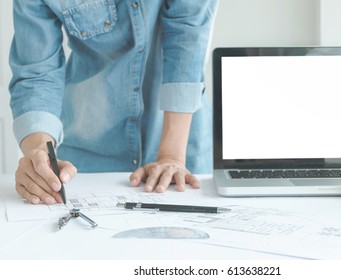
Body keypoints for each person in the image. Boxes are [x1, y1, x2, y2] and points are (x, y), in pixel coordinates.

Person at [9, 0, 218, 205]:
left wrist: (171, 155)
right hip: (90, 151)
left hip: (180, 142)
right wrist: (40, 154)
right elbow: (36, 74)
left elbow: (187, 37)